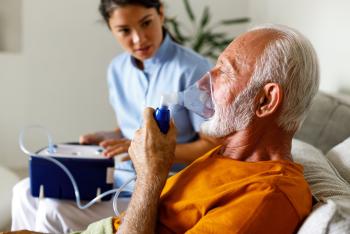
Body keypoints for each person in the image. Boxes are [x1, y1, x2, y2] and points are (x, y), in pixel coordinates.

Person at [78, 24, 320, 233]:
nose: (207, 78)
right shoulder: (228, 154)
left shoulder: (267, 197)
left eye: (225, 71)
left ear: (265, 101)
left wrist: (150, 176)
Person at [11, 0, 218, 233]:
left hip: (163, 187)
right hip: (120, 179)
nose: (139, 39)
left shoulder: (194, 69)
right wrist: (104, 137)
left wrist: (148, 151)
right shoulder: (117, 69)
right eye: (124, 30)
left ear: (160, 13)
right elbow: (128, 129)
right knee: (23, 192)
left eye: (146, 23)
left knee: (53, 209)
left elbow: (212, 146)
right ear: (111, 29)